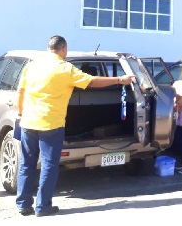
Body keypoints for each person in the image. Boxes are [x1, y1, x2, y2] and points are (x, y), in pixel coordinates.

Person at [16, 35, 136, 217]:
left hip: (28, 122)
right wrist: (120, 80)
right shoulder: (65, 69)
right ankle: (43, 207)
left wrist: (20, 113)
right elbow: (91, 81)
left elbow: (21, 91)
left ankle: (23, 204)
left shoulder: (32, 65)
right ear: (63, 49)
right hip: (51, 124)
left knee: (27, 164)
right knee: (49, 166)